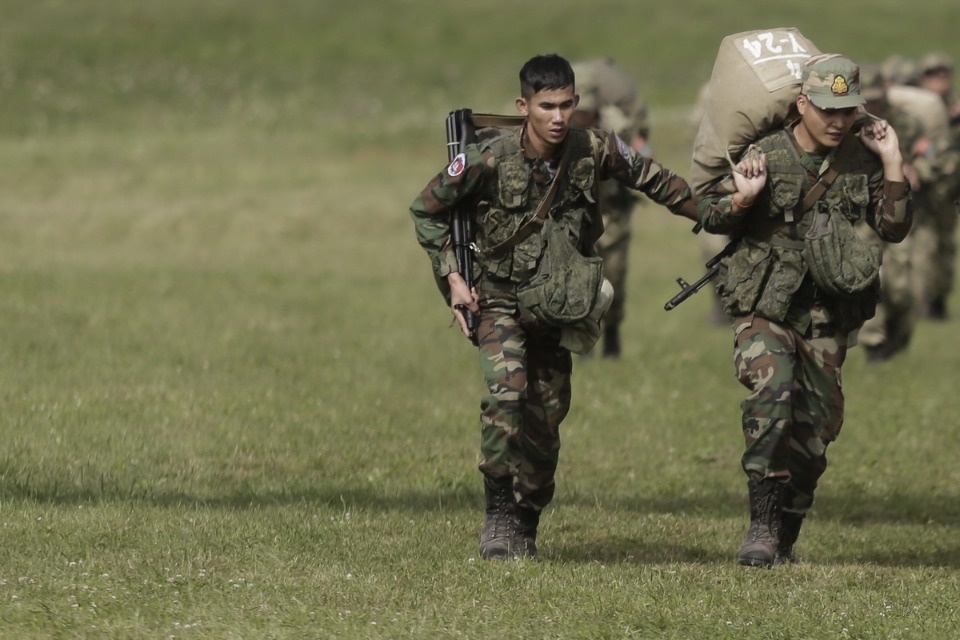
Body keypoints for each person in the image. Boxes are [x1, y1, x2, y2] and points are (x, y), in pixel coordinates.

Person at [409, 53, 699, 560]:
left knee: (545, 425)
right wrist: (454, 279)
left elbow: (656, 180)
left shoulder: (594, 149)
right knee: (507, 395)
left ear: (577, 102)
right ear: (524, 107)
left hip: (559, 306)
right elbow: (426, 210)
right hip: (498, 300)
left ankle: (526, 517)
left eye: (566, 104)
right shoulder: (488, 157)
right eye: (546, 106)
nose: (558, 116)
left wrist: (721, 211)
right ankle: (498, 516)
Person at [697, 55, 913, 567]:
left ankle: (785, 533)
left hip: (828, 313)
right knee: (772, 390)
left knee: (816, 431)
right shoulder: (765, 153)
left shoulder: (863, 156)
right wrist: (744, 198)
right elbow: (711, 215)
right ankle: (761, 526)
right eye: (826, 110)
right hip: (765, 306)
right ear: (801, 105)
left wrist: (892, 159)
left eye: (846, 110)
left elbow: (894, 228)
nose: (837, 121)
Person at [856, 63, 951, 362]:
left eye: (876, 97)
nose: (873, 105)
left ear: (886, 92)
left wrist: (915, 170)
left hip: (912, 215)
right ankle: (874, 343)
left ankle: (897, 338)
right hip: (866, 217)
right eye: (866, 99)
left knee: (911, 287)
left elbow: (935, 157)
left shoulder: (909, 124)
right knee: (869, 278)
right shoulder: (847, 126)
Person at [570, 57, 651, 357]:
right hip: (576, 218)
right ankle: (584, 343)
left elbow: (642, 159)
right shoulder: (557, 126)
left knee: (614, 278)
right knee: (581, 283)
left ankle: (612, 336)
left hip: (612, 213)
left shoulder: (616, 126)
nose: (582, 114)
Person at [917, 52, 960, 319]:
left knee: (945, 246)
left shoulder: (956, 108)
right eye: (933, 75)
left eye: (943, 74)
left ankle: (938, 301)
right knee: (921, 247)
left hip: (950, 190)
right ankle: (918, 300)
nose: (939, 80)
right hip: (923, 190)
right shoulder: (917, 109)